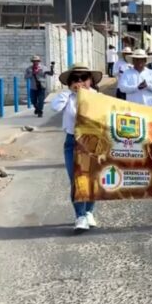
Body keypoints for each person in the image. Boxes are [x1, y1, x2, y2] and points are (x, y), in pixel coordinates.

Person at [51, 65, 103, 232]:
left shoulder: (98, 97)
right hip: (72, 141)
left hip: (93, 141)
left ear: (91, 80)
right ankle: (79, 215)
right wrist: (69, 93)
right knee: (76, 179)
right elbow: (55, 107)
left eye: (84, 78)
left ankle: (88, 212)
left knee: (92, 178)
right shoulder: (67, 97)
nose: (80, 82)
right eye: (75, 79)